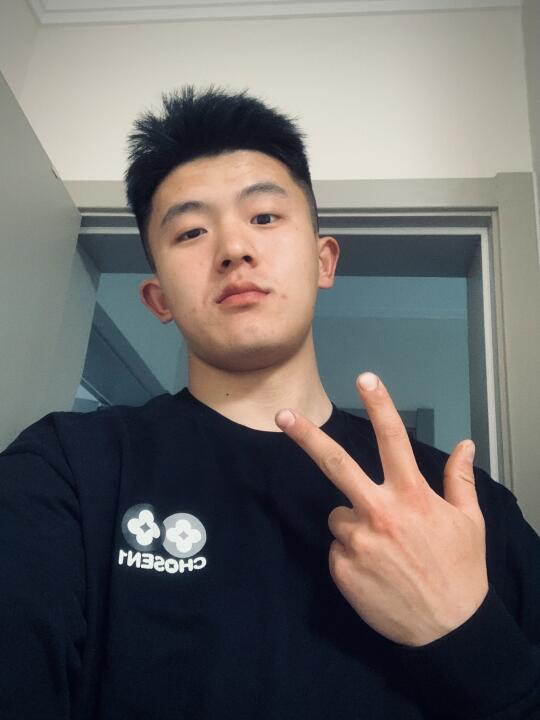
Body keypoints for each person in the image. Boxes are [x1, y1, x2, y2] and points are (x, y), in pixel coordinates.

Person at [0, 85, 539, 720]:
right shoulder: (67, 468)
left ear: (324, 261)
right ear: (158, 300)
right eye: (191, 231)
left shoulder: (461, 502)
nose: (234, 249)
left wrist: (464, 630)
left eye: (264, 217)